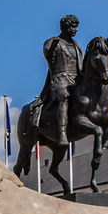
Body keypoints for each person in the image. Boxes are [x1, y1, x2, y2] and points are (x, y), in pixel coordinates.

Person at [42, 15, 84, 146]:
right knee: (65, 96)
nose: (76, 30)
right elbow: (47, 53)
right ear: (65, 27)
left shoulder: (76, 45)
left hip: (76, 80)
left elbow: (81, 64)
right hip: (59, 80)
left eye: (76, 27)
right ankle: (62, 133)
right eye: (73, 27)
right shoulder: (52, 41)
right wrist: (53, 46)